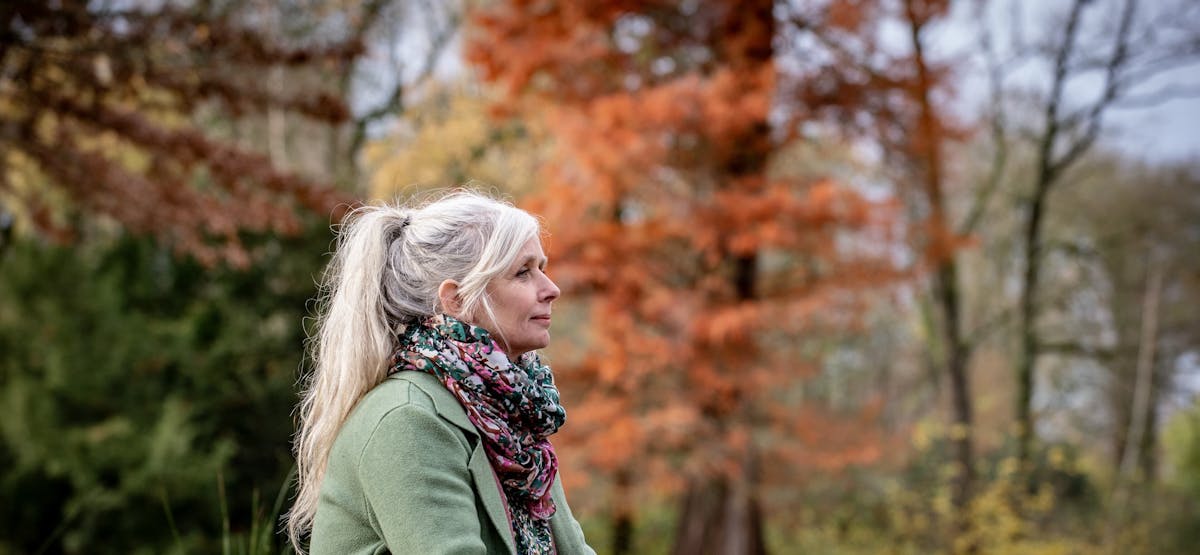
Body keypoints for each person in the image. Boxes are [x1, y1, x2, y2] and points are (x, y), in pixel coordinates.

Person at [285, 190, 594, 554]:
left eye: (542, 268)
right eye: (523, 272)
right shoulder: (407, 418)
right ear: (457, 300)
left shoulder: (511, 413)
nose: (551, 289)